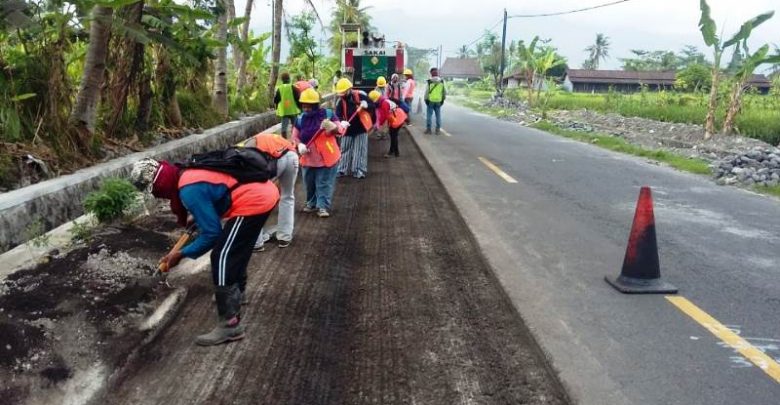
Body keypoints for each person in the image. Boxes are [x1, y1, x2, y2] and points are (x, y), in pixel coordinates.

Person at [129, 157, 279, 346]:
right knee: (237, 250)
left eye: (155, 191)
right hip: (264, 193)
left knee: (222, 256)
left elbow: (212, 234)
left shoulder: (187, 189)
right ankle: (238, 294)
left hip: (253, 201)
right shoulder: (185, 174)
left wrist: (181, 254)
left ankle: (230, 325)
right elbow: (216, 194)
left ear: (159, 184)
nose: (159, 196)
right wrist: (199, 218)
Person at [293, 88, 346, 218]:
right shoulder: (300, 119)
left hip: (326, 157)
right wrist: (299, 145)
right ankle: (311, 203)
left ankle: (322, 206)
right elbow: (295, 137)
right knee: (309, 182)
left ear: (315, 105)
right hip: (308, 157)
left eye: (309, 106)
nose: (306, 109)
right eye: (303, 106)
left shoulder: (327, 115)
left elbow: (340, 130)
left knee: (324, 182)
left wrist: (333, 128)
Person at [242, 133, 298, 250]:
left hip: (275, 161)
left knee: (257, 199)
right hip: (292, 157)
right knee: (287, 197)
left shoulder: (249, 146)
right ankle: (285, 237)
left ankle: (257, 243)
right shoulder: (272, 138)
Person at [333, 78, 372, 179]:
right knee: (345, 149)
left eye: (343, 92)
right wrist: (341, 121)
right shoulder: (340, 102)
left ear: (349, 89)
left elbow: (372, 105)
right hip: (347, 128)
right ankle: (342, 169)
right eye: (340, 93)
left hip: (360, 128)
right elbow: (337, 115)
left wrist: (366, 105)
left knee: (360, 149)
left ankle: (359, 170)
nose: (342, 94)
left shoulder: (360, 95)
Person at [369, 90, 405, 158]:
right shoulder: (382, 101)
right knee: (393, 135)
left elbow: (384, 116)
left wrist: (378, 126)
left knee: (393, 135)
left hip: (397, 118)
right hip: (396, 117)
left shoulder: (384, 103)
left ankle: (393, 152)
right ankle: (396, 152)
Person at [274, 72, 301, 139]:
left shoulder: (279, 89)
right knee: (295, 127)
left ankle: (284, 142)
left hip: (284, 111)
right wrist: (300, 108)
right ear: (289, 79)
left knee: (284, 128)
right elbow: (298, 98)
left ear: (282, 80)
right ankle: (294, 140)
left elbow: (276, 100)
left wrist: (277, 108)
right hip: (293, 110)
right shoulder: (293, 87)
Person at [424, 67, 446, 135]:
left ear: (431, 74)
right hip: (438, 101)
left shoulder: (429, 81)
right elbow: (444, 92)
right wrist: (443, 100)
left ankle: (429, 129)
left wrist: (425, 100)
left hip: (430, 101)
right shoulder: (442, 81)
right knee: (438, 116)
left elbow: (426, 92)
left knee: (429, 116)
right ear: (437, 73)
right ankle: (437, 130)